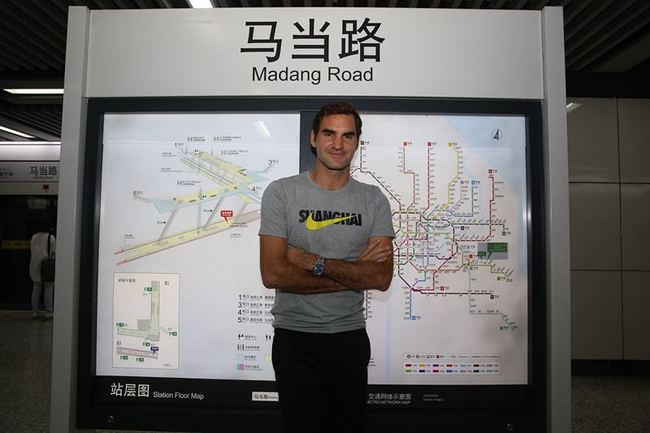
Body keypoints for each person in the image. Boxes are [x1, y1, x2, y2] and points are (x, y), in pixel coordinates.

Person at [259, 101, 395, 433]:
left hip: (349, 337)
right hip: (295, 339)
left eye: (348, 136)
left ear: (357, 142)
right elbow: (273, 274)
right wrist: (353, 274)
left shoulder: (373, 199)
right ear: (313, 138)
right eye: (329, 134)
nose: (338, 144)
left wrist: (313, 262)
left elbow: (380, 277)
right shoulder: (281, 193)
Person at [29, 222, 55, 320]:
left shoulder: (34, 237)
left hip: (34, 265)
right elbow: (54, 253)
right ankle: (48, 312)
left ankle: (35, 312)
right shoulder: (51, 238)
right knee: (48, 289)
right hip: (47, 266)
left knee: (36, 289)